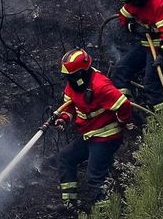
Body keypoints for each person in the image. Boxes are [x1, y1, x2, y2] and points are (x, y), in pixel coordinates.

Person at [50, 48, 135, 207]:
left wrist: (122, 122)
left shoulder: (100, 86)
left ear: (81, 73)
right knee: (65, 158)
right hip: (90, 135)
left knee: (94, 177)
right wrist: (63, 118)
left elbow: (124, 105)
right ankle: (70, 205)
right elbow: (69, 106)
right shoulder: (73, 85)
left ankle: (107, 216)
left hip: (106, 137)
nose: (68, 80)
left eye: (71, 76)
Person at [110, 0, 163, 110]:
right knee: (120, 70)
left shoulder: (162, 1)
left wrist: (162, 55)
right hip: (146, 43)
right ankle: (127, 109)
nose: (131, 5)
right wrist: (133, 27)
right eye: (128, 2)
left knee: (152, 83)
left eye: (132, 2)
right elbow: (123, 16)